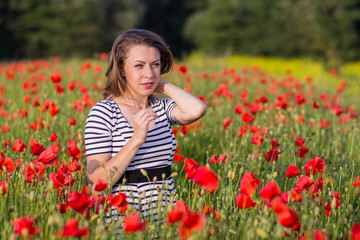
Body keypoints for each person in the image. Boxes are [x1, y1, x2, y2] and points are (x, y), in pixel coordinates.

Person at [84, 29, 207, 235]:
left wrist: (162, 85)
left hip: (167, 215)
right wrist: (136, 139)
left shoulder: (162, 108)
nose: (148, 73)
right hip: (125, 218)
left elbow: (198, 109)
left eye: (155, 65)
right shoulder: (104, 112)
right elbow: (96, 182)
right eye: (139, 66)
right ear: (122, 69)